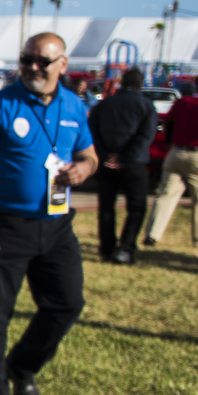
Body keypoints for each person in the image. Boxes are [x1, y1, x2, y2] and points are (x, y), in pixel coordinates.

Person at [0, 31, 98, 395]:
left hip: (55, 226)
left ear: (63, 65)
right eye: (26, 59)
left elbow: (89, 155)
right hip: (4, 224)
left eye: (43, 61)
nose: (33, 67)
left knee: (66, 304)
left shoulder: (74, 106)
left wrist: (84, 169)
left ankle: (21, 367)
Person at [145, 73, 198, 247]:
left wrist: (170, 143)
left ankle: (152, 234)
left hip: (176, 152)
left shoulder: (181, 103)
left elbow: (166, 125)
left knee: (165, 195)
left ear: (195, 88)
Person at [87, 68, 156, 264]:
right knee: (136, 207)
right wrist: (126, 157)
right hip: (134, 163)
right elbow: (145, 136)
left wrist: (106, 155)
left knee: (106, 206)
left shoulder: (104, 104)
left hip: (107, 161)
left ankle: (106, 248)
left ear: (121, 82)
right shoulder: (146, 105)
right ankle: (126, 248)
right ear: (141, 84)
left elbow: (93, 133)